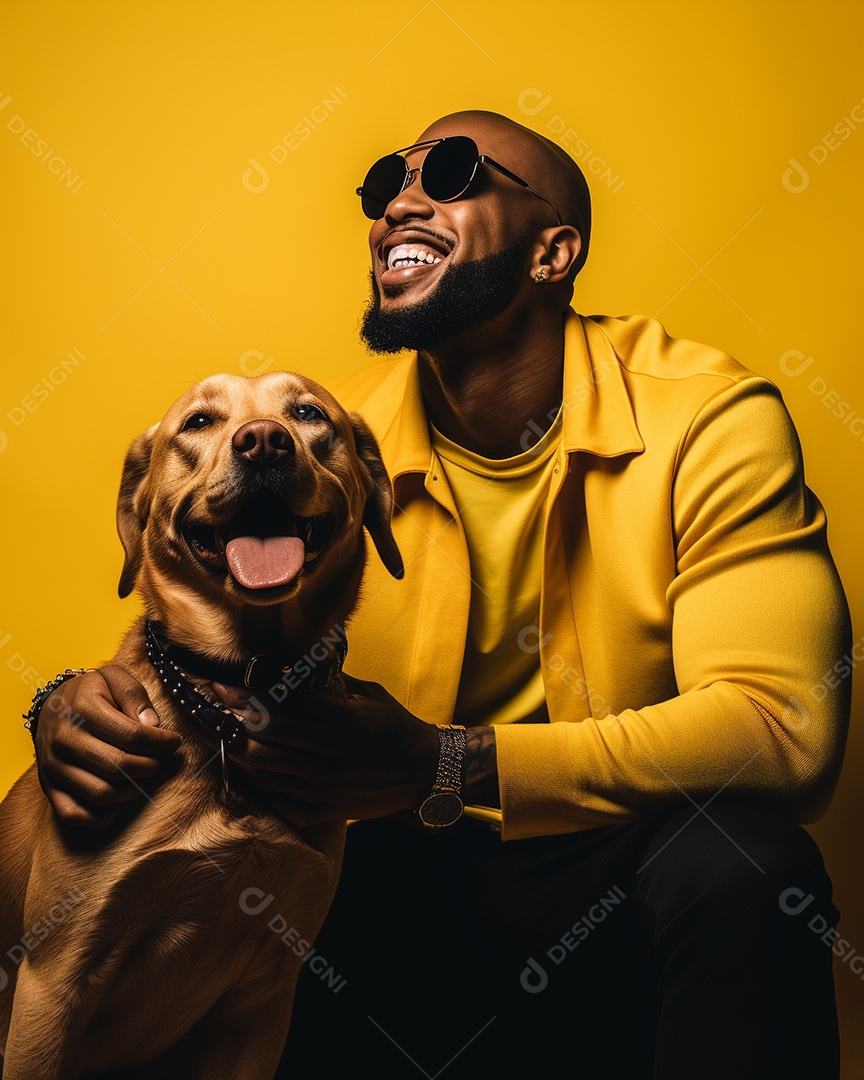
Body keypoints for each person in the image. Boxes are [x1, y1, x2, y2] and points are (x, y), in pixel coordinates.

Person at [29, 111, 851, 1078]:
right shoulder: (324, 450)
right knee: (257, 863)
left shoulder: (708, 418)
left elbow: (785, 734)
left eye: (456, 173)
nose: (401, 205)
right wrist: (60, 707)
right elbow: (198, 631)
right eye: (385, 184)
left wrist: (450, 765)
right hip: (387, 892)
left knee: (748, 863)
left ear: (554, 251)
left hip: (609, 877)